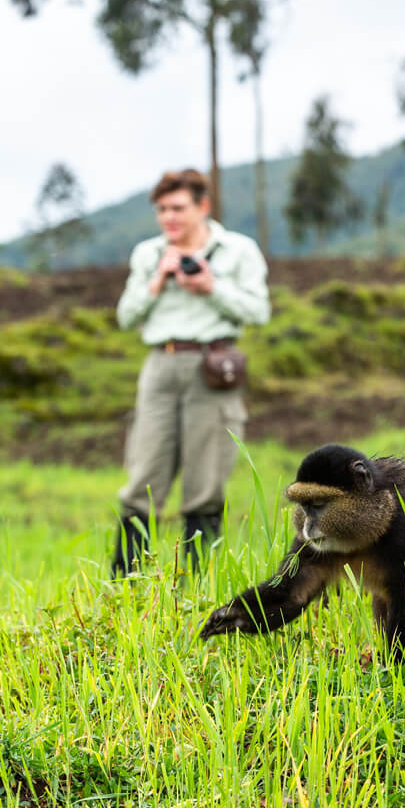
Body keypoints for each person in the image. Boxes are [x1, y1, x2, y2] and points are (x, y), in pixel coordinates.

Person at [111, 169, 270, 576]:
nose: (169, 218)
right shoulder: (147, 253)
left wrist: (211, 287)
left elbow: (259, 311)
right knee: (143, 474)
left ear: (202, 206)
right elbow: (125, 317)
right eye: (162, 210)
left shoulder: (238, 250)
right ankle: (124, 588)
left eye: (178, 208)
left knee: (205, 480)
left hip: (213, 368)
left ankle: (198, 586)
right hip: (159, 367)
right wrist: (157, 279)